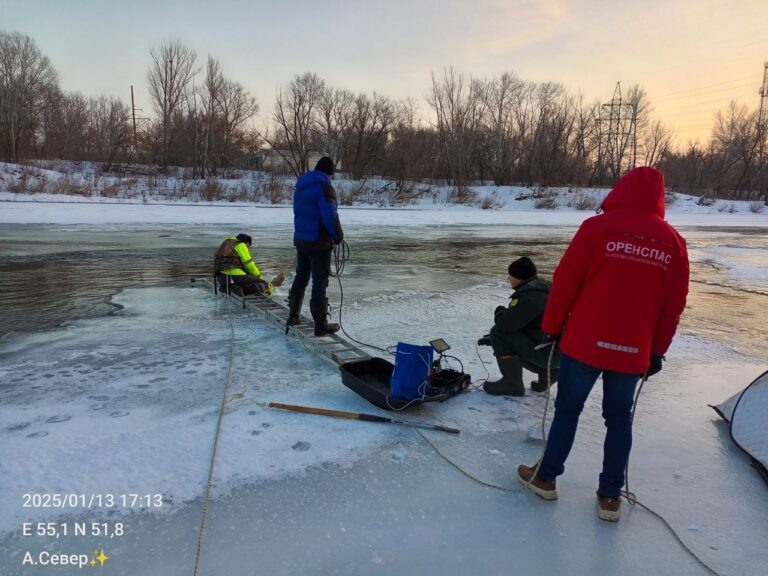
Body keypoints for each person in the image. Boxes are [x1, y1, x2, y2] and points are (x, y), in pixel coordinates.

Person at [517, 166, 689, 523]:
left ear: (621, 189)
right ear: (660, 197)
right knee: (619, 419)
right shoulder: (671, 242)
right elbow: (673, 306)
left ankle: (546, 477)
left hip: (584, 343)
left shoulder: (596, 228)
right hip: (632, 350)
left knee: (568, 410)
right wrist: (657, 350)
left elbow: (565, 282)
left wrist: (551, 328)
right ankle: (610, 497)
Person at [478, 256, 560, 396]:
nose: (508, 279)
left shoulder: (530, 297)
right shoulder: (544, 288)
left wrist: (499, 312)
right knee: (502, 335)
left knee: (497, 333)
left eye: (510, 275)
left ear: (520, 277)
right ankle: (548, 374)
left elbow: (505, 326)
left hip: (549, 355)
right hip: (558, 351)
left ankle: (512, 384)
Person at [286, 156, 344, 336]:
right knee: (320, 282)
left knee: (301, 277)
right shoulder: (324, 188)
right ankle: (320, 326)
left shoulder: (302, 186)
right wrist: (338, 236)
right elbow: (329, 216)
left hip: (301, 239)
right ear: (330, 172)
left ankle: (293, 316)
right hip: (318, 242)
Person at [213, 233, 284, 296]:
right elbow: (249, 265)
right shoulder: (241, 245)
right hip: (234, 276)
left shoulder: (226, 243)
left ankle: (230, 288)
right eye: (248, 246)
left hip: (221, 277)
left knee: (247, 281)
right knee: (262, 284)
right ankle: (271, 286)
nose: (248, 248)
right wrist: (259, 277)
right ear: (246, 241)